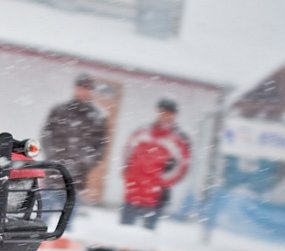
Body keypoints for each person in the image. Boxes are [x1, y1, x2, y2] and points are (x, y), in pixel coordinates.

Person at [120, 98, 190, 229]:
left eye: (168, 113)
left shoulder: (179, 139)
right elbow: (127, 152)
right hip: (133, 191)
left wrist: (162, 183)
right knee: (123, 232)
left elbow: (182, 166)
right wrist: (128, 174)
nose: (164, 116)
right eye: (162, 112)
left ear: (175, 115)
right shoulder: (142, 132)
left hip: (155, 197)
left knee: (146, 237)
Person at [40, 74, 108, 203]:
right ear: (75, 88)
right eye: (81, 87)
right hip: (54, 172)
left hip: (77, 178)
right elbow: (47, 135)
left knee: (67, 218)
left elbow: (101, 146)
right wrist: (53, 156)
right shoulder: (60, 110)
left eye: (87, 88)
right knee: (44, 214)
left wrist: (85, 162)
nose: (84, 91)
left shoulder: (97, 117)